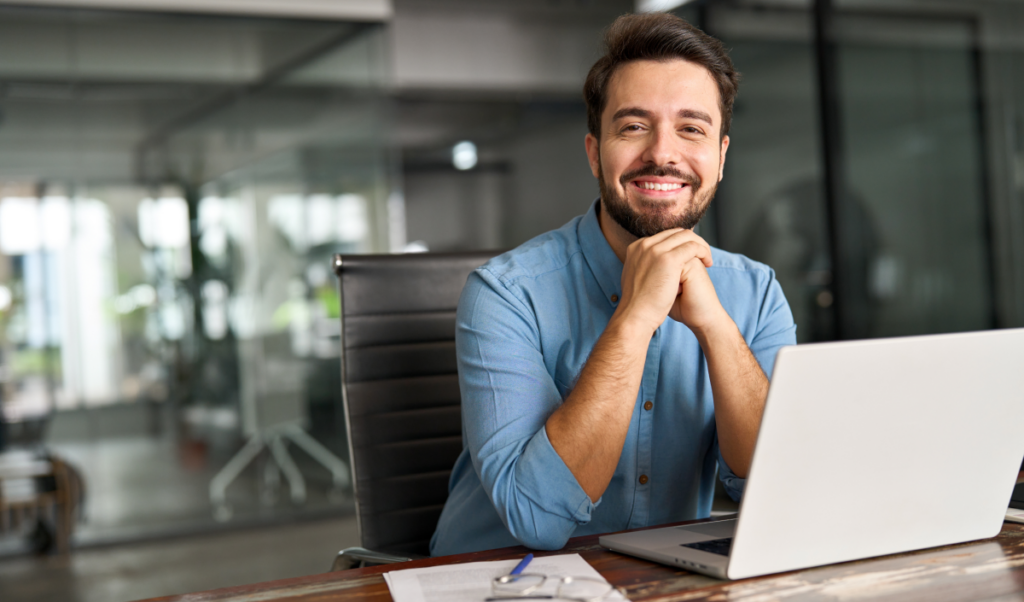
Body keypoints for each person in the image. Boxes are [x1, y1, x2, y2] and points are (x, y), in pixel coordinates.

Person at [430, 12, 796, 556]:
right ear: (595, 153)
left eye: (691, 129)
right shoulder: (505, 293)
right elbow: (536, 518)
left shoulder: (756, 291)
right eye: (633, 126)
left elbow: (777, 486)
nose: (663, 153)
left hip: (661, 581)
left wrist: (717, 327)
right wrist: (635, 316)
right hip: (496, 580)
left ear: (720, 159)